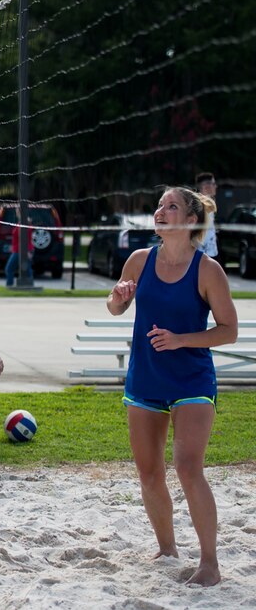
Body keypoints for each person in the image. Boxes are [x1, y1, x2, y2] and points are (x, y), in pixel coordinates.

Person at [106, 186, 236, 587]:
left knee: (187, 467)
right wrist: (117, 296)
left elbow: (228, 331)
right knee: (149, 471)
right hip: (146, 377)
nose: (160, 211)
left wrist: (181, 339)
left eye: (171, 206)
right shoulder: (139, 260)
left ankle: (210, 564)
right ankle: (167, 548)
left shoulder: (207, 269)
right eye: (160, 206)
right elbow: (115, 307)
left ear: (191, 220)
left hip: (191, 379)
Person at [5, 216, 34, 287]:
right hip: (17, 249)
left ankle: (10, 286)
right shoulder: (20, 224)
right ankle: (29, 285)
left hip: (21, 250)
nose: (17, 212)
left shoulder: (26, 226)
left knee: (10, 268)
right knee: (26, 268)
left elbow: (25, 239)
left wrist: (27, 251)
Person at [195, 172, 218, 261]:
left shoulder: (209, 203)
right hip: (203, 253)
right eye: (213, 184)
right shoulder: (198, 205)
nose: (216, 186)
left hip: (210, 252)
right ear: (205, 186)